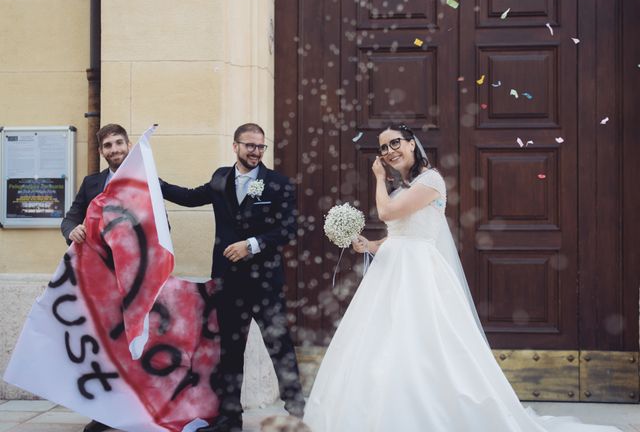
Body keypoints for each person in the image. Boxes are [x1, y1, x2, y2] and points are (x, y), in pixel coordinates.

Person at [303, 124, 621, 432]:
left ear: (412, 143)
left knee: (422, 341)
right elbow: (396, 233)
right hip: (391, 267)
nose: (389, 151)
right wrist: (368, 244)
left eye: (395, 143)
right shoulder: (404, 188)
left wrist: (377, 178)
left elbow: (387, 214)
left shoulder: (430, 181)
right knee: (382, 340)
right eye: (384, 147)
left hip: (417, 273)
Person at [160, 123, 305, 432]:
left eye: (260, 147)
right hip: (227, 283)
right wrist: (151, 181)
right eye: (249, 145)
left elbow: (288, 229)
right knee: (230, 353)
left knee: (279, 347)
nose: (255, 151)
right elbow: (188, 197)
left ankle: (297, 412)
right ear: (235, 146)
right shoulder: (220, 179)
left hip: (265, 283)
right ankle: (229, 420)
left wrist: (252, 245)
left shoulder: (278, 184)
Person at [61, 123, 131, 432]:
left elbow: (162, 228)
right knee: (103, 348)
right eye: (108, 146)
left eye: (119, 143)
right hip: (99, 282)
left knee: (132, 348)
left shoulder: (143, 180)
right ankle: (105, 415)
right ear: (102, 152)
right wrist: (72, 231)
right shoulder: (92, 183)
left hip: (134, 280)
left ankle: (133, 409)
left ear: (128, 145)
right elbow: (71, 218)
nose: (115, 149)